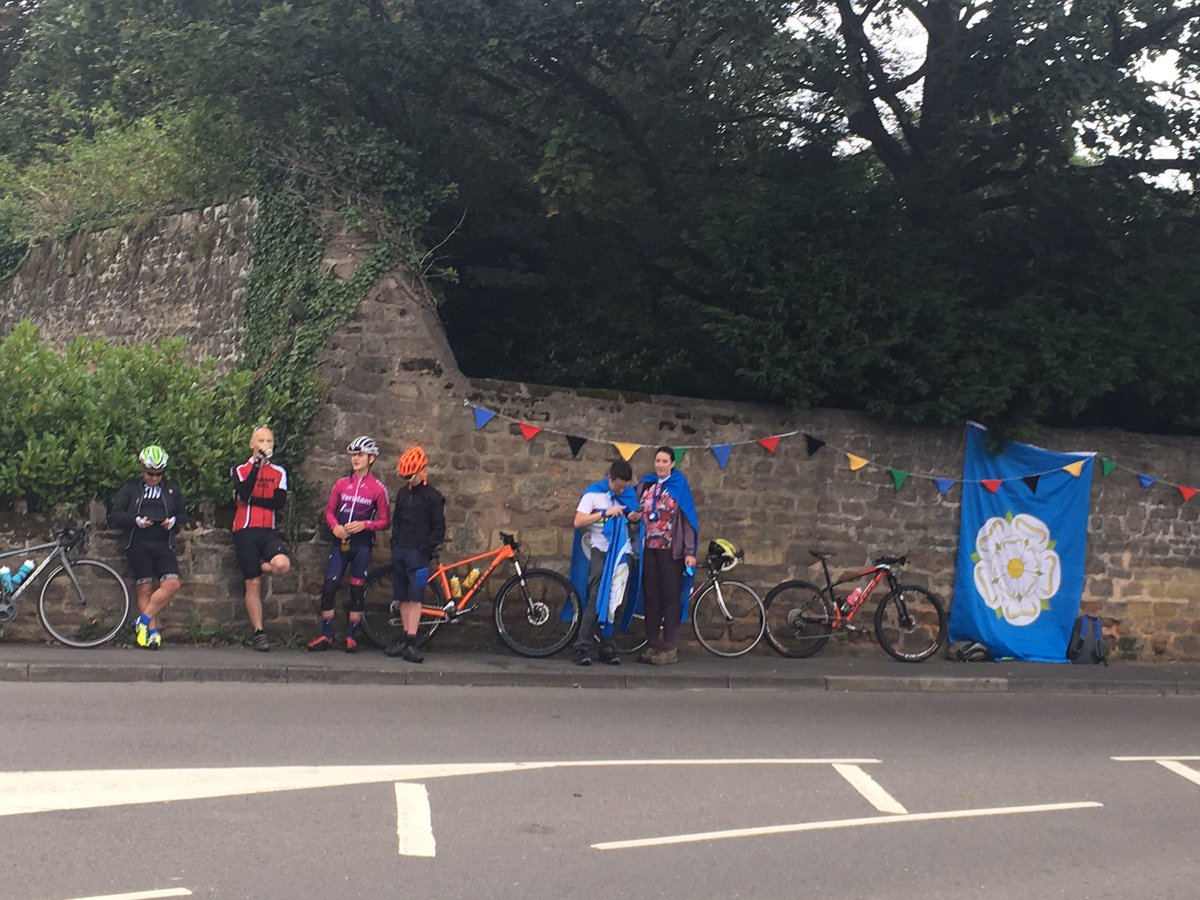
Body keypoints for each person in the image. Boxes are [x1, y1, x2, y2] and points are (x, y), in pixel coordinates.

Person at [306, 436, 391, 653]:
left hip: (362, 545)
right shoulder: (341, 484)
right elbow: (329, 512)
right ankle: (326, 634)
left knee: (357, 589)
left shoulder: (378, 489)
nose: (355, 459)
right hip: (340, 542)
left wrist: (365, 524)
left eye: (360, 455)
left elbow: (385, 521)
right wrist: (335, 527)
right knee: (329, 587)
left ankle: (352, 636)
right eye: (353, 455)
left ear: (371, 458)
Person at [109, 445, 188, 650]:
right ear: (142, 469)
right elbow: (115, 514)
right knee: (145, 588)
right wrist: (135, 520)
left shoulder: (171, 489)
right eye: (150, 473)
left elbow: (183, 515)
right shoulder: (130, 489)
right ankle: (151, 632)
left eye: (158, 474)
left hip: (163, 543)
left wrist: (172, 521)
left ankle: (141, 620)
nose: (154, 478)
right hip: (137, 543)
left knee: (172, 584)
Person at [568, 460, 638, 666]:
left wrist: (633, 516)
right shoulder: (593, 494)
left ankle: (608, 648)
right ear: (610, 479)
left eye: (625, 486)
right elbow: (578, 521)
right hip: (599, 549)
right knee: (596, 599)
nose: (622, 489)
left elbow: (631, 518)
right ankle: (582, 647)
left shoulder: (627, 494)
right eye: (619, 486)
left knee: (617, 601)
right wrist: (605, 512)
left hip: (621, 551)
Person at [632, 446, 698, 665]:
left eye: (664, 461)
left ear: (672, 464)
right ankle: (653, 644)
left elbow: (688, 520)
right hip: (648, 548)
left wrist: (689, 552)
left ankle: (669, 647)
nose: (660, 465)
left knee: (670, 598)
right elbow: (633, 509)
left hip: (671, 551)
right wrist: (632, 515)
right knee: (651, 597)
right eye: (657, 461)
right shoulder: (646, 484)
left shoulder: (679, 486)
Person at [230, 424, 291, 652]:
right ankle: (259, 632)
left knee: (282, 564)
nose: (265, 445)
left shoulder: (280, 472)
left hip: (267, 530)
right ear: (252, 444)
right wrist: (257, 466)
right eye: (261, 441)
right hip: (245, 530)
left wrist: (252, 500)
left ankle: (258, 564)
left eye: (269, 441)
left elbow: (279, 502)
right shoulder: (240, 469)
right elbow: (243, 492)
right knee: (253, 583)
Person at [384, 446, 445, 663]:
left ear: (422, 471)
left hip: (419, 555)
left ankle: (412, 641)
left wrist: (426, 548)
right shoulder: (402, 494)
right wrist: (394, 544)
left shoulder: (433, 497)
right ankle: (404, 639)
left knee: (416, 598)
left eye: (411, 477)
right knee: (402, 597)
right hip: (401, 551)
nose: (409, 482)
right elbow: (397, 521)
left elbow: (439, 528)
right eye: (405, 478)